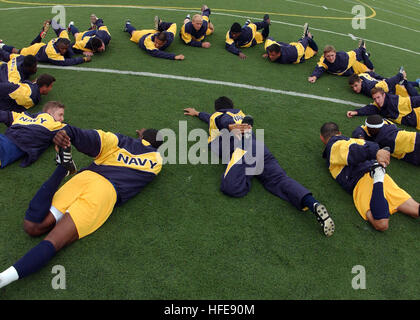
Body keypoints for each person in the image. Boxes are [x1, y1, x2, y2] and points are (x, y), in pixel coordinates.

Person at [0, 127, 163, 289]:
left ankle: (63, 169)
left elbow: (91, 137)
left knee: (32, 227)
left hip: (84, 178)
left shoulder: (120, 140)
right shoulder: (157, 160)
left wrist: (67, 133)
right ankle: (2, 279)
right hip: (105, 192)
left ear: (142, 135)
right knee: (54, 240)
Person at [184, 96, 335, 236]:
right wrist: (198, 113)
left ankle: (247, 169)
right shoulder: (240, 114)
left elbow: (221, 120)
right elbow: (212, 118)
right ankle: (312, 203)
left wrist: (228, 127)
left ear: (217, 109)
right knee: (280, 180)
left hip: (241, 150)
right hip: (259, 148)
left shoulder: (218, 116)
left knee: (230, 187)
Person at [320, 122, 419, 231]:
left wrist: (375, 152)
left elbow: (350, 151)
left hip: (361, 180)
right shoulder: (354, 140)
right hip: (377, 171)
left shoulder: (333, 145)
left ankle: (378, 179)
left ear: (322, 138)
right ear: (339, 132)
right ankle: (379, 177)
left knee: (381, 223)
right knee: (415, 210)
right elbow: (360, 146)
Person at [0, 101, 71, 168]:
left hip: (5, 144)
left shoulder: (24, 116)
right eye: (60, 115)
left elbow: (5, 115)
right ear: (49, 113)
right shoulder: (53, 125)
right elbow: (70, 130)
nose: (62, 119)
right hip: (5, 146)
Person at [0, 20, 91, 66]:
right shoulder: (52, 53)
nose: (64, 51)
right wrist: (83, 59)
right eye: (62, 49)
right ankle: (2, 46)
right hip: (33, 52)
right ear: (58, 47)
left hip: (41, 46)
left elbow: (60, 29)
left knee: (35, 42)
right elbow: (66, 62)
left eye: (65, 48)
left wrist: (51, 21)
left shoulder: (64, 39)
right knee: (17, 52)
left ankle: (42, 33)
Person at [352, 114, 420, 166]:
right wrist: (361, 139)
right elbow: (358, 131)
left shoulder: (379, 136)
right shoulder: (366, 130)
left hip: (413, 139)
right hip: (406, 153)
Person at [347, 87, 420, 130]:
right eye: (374, 99)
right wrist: (355, 112)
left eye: (378, 97)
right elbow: (370, 108)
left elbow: (414, 100)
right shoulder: (378, 104)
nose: (377, 101)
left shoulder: (396, 102)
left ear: (384, 95)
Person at [308, 40, 374, 83]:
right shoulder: (323, 61)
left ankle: (364, 52)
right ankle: (365, 55)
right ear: (325, 56)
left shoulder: (344, 57)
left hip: (351, 64)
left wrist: (361, 49)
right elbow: (319, 69)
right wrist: (314, 76)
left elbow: (354, 53)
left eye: (332, 55)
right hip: (345, 72)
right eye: (328, 56)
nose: (331, 58)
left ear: (335, 54)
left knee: (371, 70)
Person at [348, 67, 419, 98]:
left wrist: (400, 75)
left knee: (414, 97)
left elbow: (386, 84)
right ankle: (416, 83)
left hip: (391, 88)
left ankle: (414, 83)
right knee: (403, 83)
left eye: (356, 85)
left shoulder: (369, 88)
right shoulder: (361, 75)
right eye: (352, 87)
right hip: (388, 85)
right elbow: (373, 74)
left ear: (360, 81)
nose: (354, 89)